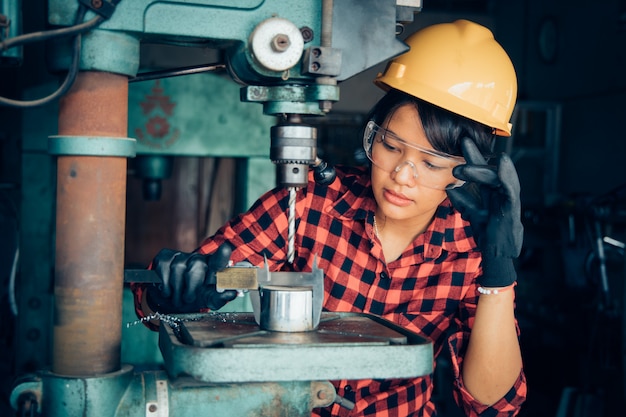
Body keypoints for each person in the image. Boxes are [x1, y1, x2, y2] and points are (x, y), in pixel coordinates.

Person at [132, 19, 527, 416]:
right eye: (390, 146)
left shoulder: (469, 254)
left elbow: (494, 406)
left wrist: (498, 270)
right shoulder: (311, 206)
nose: (402, 176)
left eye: (430, 163)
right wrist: (187, 290)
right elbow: (243, 273)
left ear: (467, 171)